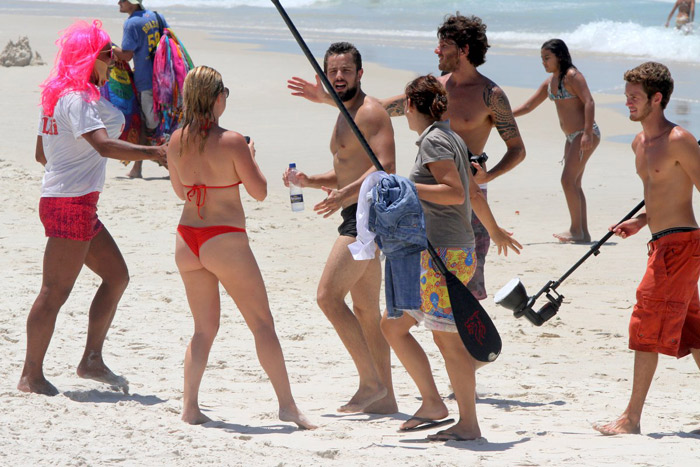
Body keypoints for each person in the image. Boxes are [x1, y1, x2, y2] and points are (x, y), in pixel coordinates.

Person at [288, 14, 525, 301]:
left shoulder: (491, 95)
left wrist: (491, 174)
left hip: (467, 192)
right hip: (426, 191)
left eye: (444, 46)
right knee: (424, 281)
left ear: (463, 50)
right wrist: (328, 97)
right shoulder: (434, 90)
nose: (437, 51)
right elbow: (378, 108)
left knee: (465, 290)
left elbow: (517, 149)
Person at [18, 20, 167, 396]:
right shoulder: (79, 99)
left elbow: (41, 154)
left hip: (70, 201)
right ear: (90, 56)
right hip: (70, 204)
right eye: (107, 51)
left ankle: (91, 360)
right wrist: (156, 153)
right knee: (54, 292)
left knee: (116, 276)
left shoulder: (57, 96)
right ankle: (31, 376)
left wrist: (74, 164)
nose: (114, 56)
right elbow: (103, 146)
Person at [167, 65, 315, 429]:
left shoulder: (174, 140)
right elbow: (260, 192)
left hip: (188, 237)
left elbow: (179, 191)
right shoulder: (232, 141)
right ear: (218, 97)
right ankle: (288, 406)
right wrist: (250, 154)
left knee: (203, 329)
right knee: (262, 324)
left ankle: (190, 407)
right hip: (224, 238)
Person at [379, 75, 521, 441]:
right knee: (393, 325)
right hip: (439, 252)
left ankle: (469, 424)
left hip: (444, 255)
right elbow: (474, 193)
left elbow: (454, 192)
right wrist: (495, 230)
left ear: (411, 105)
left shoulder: (436, 141)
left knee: (449, 341)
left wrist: (406, 186)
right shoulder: (449, 138)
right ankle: (432, 403)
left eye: (406, 105)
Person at [282, 42, 398, 414]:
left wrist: (343, 195)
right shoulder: (344, 110)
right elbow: (348, 167)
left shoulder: (370, 111)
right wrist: (309, 180)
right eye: (333, 71)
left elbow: (385, 166)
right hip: (358, 214)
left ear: (360, 73)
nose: (339, 77)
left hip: (366, 218)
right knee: (365, 310)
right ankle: (385, 399)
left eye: (346, 71)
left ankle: (371, 382)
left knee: (327, 297)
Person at [593, 62, 700, 435]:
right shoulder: (640, 143)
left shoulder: (679, 140)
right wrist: (639, 221)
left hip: (682, 245)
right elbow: (655, 194)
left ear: (657, 98)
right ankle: (632, 417)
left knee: (645, 318)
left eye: (635, 97)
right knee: (694, 329)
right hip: (660, 243)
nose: (628, 103)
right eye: (626, 96)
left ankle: (631, 419)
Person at [513, 39, 600, 243]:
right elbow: (528, 106)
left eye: (546, 58)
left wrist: (587, 133)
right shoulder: (550, 82)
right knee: (575, 183)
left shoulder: (573, 76)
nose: (543, 62)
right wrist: (502, 117)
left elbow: (589, 101)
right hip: (571, 137)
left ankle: (575, 230)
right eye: (541, 58)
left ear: (559, 56)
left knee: (567, 180)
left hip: (585, 134)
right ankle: (583, 233)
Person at [114, 0, 169, 178]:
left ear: (132, 3)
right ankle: (138, 168)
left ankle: (169, 165)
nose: (119, 3)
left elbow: (127, 55)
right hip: (165, 80)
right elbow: (169, 41)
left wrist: (110, 48)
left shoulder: (132, 23)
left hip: (146, 82)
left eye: (123, 0)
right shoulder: (157, 17)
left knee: (149, 124)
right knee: (161, 123)